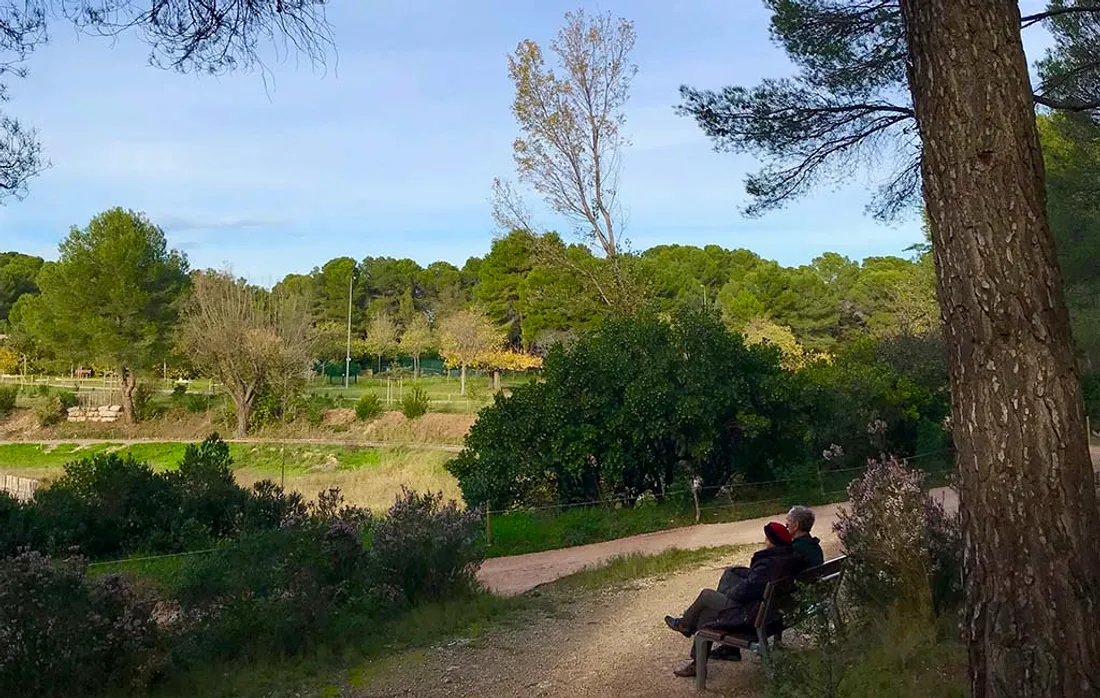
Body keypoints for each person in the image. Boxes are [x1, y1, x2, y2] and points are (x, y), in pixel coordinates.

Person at [663, 522, 805, 678]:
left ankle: (685, 626)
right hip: (770, 614)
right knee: (726, 580)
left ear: (772, 541)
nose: (765, 541)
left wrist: (727, 594)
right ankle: (696, 657)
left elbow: (747, 590)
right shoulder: (787, 560)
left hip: (749, 616)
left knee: (707, 597)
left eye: (767, 538)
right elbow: (755, 583)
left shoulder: (768, 564)